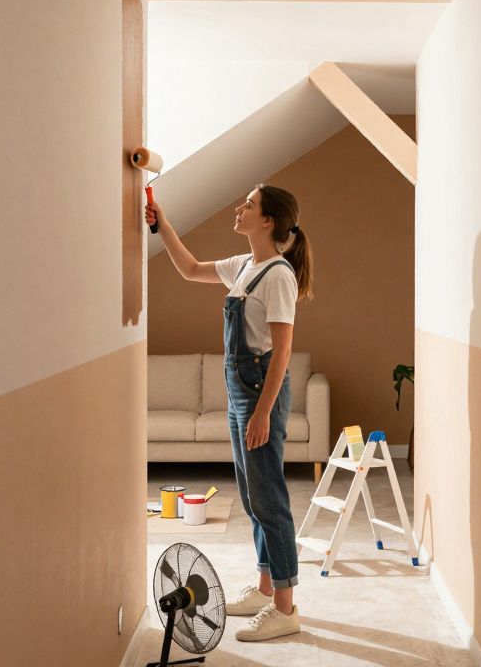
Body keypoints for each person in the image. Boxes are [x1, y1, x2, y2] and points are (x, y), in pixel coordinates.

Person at [146, 184, 314, 642]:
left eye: (250, 204)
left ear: (268, 221)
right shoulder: (244, 266)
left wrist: (262, 413)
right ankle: (265, 589)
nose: (239, 208)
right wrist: (161, 223)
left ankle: (285, 608)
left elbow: (281, 353)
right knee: (251, 495)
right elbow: (189, 269)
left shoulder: (277, 275)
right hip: (241, 392)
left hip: (262, 393)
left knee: (270, 500)